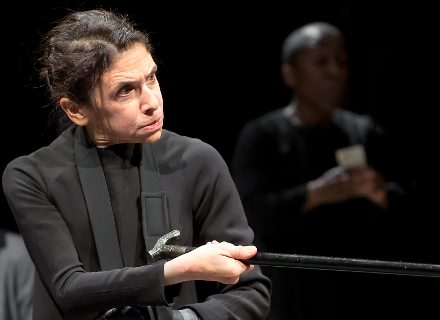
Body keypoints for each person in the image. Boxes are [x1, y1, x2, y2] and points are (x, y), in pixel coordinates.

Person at [2, 10, 270, 320]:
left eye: (151, 77)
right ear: (76, 110)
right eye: (125, 90)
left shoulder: (197, 160)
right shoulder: (32, 176)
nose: (152, 102)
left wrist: (186, 319)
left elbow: (250, 291)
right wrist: (181, 269)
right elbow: (68, 289)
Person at [231, 22, 404, 320]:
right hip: (292, 293)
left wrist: (379, 191)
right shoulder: (263, 135)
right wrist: (318, 193)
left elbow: (413, 202)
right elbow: (250, 214)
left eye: (341, 61)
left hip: (362, 291)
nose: (334, 72)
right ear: (290, 74)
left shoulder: (364, 131)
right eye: (321, 61)